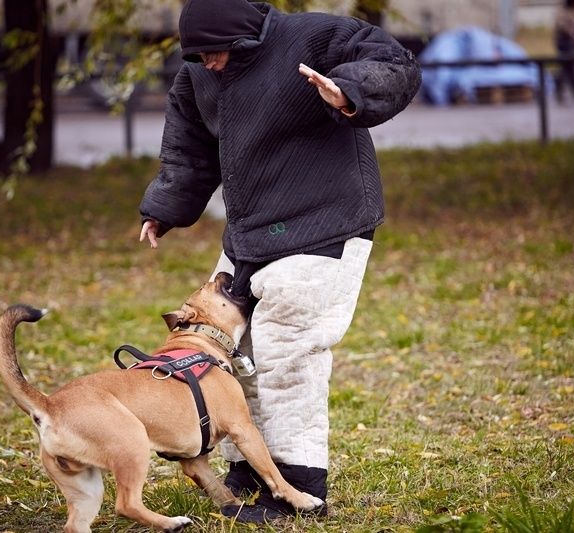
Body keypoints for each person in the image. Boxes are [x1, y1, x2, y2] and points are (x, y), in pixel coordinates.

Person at [138, 0, 419, 523]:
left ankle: (298, 490)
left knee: (288, 357)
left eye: (216, 53)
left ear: (242, 36)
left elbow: (396, 63)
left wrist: (350, 90)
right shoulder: (200, 71)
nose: (208, 64)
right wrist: (165, 208)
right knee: (234, 350)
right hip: (250, 233)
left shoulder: (314, 37)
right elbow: (189, 146)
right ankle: (248, 469)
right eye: (198, 56)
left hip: (324, 222)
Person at [554, 0, 574, 103]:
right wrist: (571, 33)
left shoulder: (572, 11)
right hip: (564, 41)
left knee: (568, 67)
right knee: (566, 67)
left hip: (569, 41)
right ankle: (569, 92)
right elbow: (562, 26)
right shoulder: (563, 11)